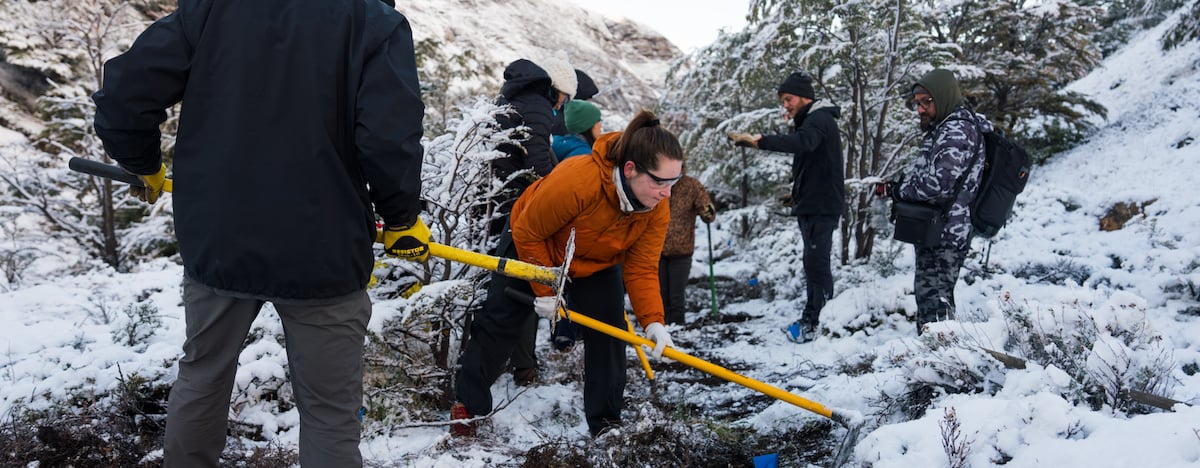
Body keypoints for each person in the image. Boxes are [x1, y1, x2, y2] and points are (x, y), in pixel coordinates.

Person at [90, 1, 429, 465]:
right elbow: (389, 138)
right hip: (323, 246)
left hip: (219, 235)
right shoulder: (373, 20)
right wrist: (401, 217)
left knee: (203, 375)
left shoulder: (212, 8)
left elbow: (126, 93)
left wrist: (142, 163)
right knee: (330, 409)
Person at [453, 110, 680, 438]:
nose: (667, 192)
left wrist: (653, 320)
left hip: (594, 262)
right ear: (630, 169)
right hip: (531, 243)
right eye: (661, 181)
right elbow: (530, 231)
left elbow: (642, 266)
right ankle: (468, 407)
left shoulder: (657, 206)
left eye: (675, 182)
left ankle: (605, 424)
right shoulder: (579, 179)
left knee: (610, 332)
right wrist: (547, 292)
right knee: (501, 323)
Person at [727, 71, 844, 343]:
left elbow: (803, 144)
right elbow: (812, 161)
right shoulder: (813, 120)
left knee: (817, 265)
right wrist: (798, 194)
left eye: (789, 99)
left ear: (805, 97)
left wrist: (760, 141)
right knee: (813, 264)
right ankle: (815, 319)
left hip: (821, 207)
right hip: (813, 204)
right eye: (783, 101)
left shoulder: (819, 119)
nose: (786, 105)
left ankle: (817, 322)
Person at [874, 69, 993, 335]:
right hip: (936, 230)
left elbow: (936, 185)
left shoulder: (957, 131)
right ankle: (934, 359)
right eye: (917, 103)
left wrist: (898, 190)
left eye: (926, 101)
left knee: (936, 302)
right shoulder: (945, 127)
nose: (920, 109)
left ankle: (941, 362)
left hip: (947, 233)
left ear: (944, 96)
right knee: (931, 299)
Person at [491, 52, 577, 387]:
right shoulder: (538, 106)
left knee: (506, 286)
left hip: (498, 202)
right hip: (519, 207)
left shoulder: (515, 99)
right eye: (565, 99)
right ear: (557, 90)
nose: (562, 108)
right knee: (524, 284)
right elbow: (538, 158)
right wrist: (562, 197)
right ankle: (523, 367)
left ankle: (517, 363)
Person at [545, 98, 604, 352]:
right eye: (599, 125)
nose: (601, 129)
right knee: (577, 283)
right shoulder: (583, 156)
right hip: (577, 230)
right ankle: (569, 331)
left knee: (565, 282)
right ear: (587, 127)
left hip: (559, 228)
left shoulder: (560, 147)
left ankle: (563, 330)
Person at [659, 170, 716, 325]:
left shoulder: (691, 185)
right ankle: (661, 327)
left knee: (676, 296)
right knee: (660, 294)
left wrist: (708, 211)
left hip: (681, 251)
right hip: (657, 250)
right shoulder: (657, 182)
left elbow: (707, 210)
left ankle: (677, 329)